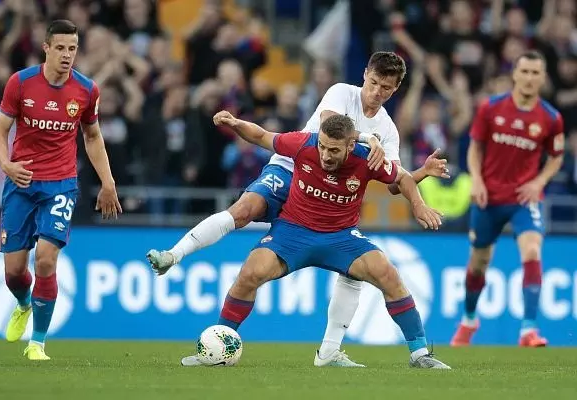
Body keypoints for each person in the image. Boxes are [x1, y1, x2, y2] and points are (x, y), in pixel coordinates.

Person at [147, 52, 449, 366]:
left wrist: (420, 179)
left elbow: (395, 181)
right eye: (373, 83)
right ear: (364, 75)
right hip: (293, 167)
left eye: (385, 88)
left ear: (395, 89)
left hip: (333, 214)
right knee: (245, 212)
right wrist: (365, 139)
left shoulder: (387, 131)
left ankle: (360, 352)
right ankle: (175, 256)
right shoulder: (339, 96)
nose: (376, 92)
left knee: (370, 273)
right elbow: (325, 127)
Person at [0, 20, 122, 360]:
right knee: (14, 272)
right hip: (21, 183)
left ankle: (37, 343)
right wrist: (6, 165)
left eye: (72, 49)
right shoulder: (20, 83)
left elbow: (92, 136)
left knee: (46, 260)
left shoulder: (86, 90)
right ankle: (23, 304)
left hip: (61, 184)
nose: (67, 55)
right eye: (61, 48)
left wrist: (108, 182)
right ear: (46, 48)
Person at [450, 50, 565, 347]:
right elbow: (474, 148)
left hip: (524, 199)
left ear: (543, 77)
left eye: (535, 73)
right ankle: (469, 320)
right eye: (524, 71)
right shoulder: (490, 108)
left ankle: (528, 330)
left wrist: (539, 181)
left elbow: (556, 157)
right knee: (479, 263)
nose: (529, 78)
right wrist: (476, 180)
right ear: (514, 74)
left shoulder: (551, 118)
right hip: (488, 198)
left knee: (532, 250)